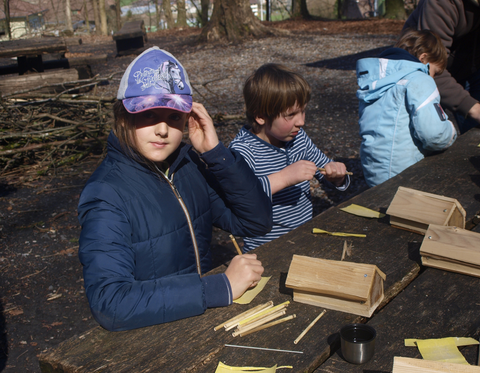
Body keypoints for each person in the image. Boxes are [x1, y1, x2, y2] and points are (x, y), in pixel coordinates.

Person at [77, 47, 272, 331]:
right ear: (123, 117)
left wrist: (216, 153)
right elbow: (110, 303)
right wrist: (219, 287)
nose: (163, 129)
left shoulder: (188, 165)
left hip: (201, 320)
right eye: (148, 115)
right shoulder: (106, 193)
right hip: (152, 335)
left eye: (174, 117)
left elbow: (255, 220)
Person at [229, 63, 350, 252]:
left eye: (302, 111)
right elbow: (238, 197)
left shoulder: (298, 137)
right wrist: (284, 178)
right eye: (291, 114)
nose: (301, 121)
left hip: (304, 236)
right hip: (266, 248)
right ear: (261, 116)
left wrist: (336, 175)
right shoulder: (242, 151)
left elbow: (324, 168)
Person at [356, 29, 457, 188]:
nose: (433, 78)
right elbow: (434, 135)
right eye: (434, 73)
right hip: (404, 172)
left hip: (374, 169)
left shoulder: (376, 80)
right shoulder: (420, 79)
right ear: (423, 59)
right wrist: (451, 131)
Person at [403, 0, 480, 133]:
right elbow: (427, 67)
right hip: (425, 76)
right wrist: (474, 108)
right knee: (428, 138)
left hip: (473, 70)